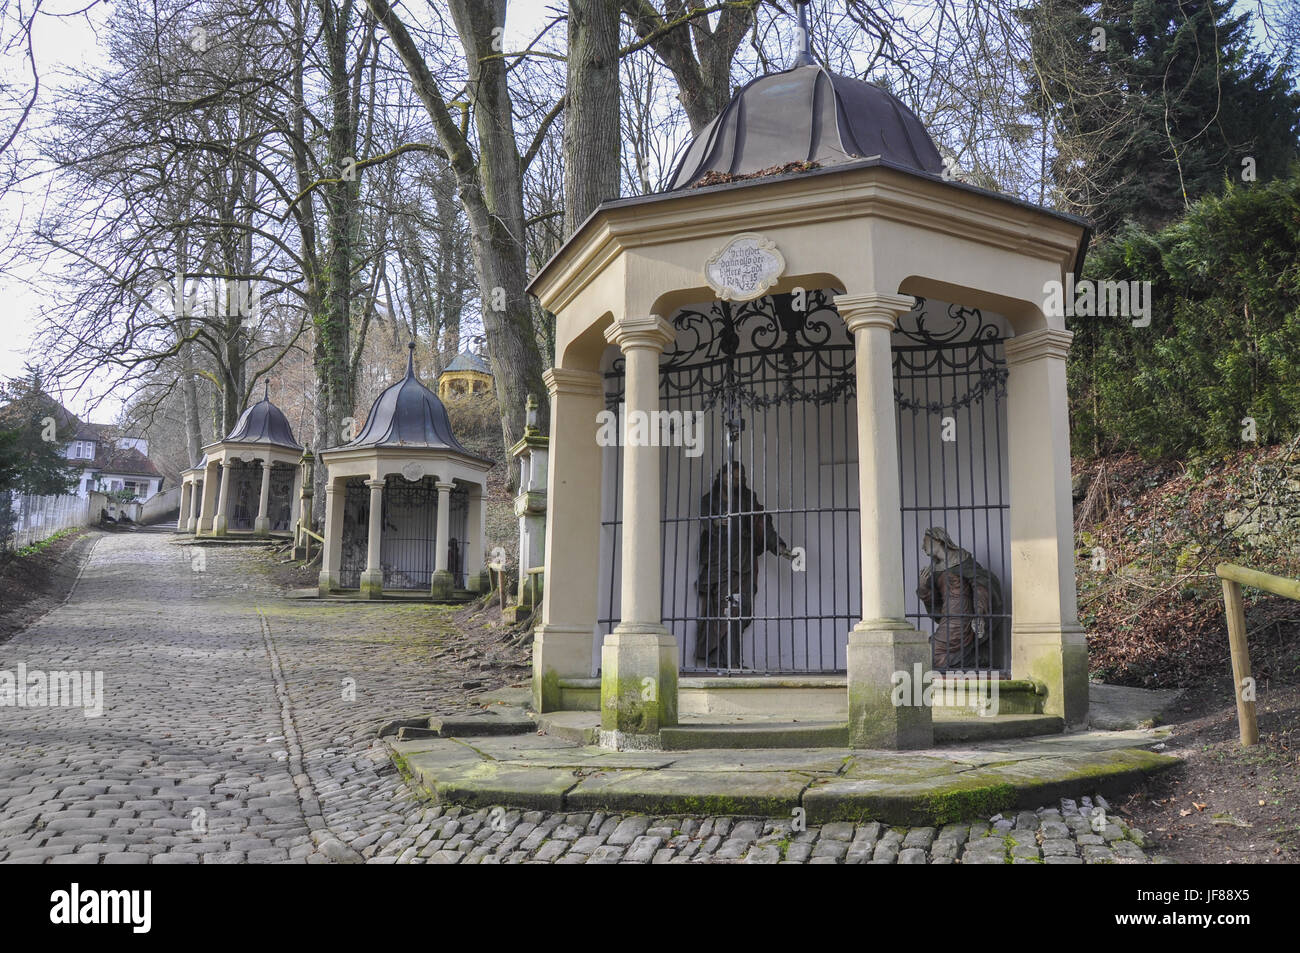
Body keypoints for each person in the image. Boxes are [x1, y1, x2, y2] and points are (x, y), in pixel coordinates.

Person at [695, 462, 792, 668]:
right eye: (731, 478)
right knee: (724, 611)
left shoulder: (748, 498)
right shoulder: (710, 499)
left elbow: (761, 523)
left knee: (740, 610)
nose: (735, 482)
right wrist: (714, 521)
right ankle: (723, 661)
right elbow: (705, 518)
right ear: (721, 477)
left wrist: (779, 546)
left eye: (739, 479)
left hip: (744, 561)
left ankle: (732, 661)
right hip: (719, 561)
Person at [916, 526, 1006, 669]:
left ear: (938, 540)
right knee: (927, 652)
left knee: (931, 653)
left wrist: (979, 614)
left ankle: (977, 659)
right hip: (948, 618)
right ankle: (974, 659)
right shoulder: (935, 569)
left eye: (925, 542)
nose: (922, 547)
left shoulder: (963, 559)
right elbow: (935, 603)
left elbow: (980, 584)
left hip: (962, 618)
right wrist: (923, 587)